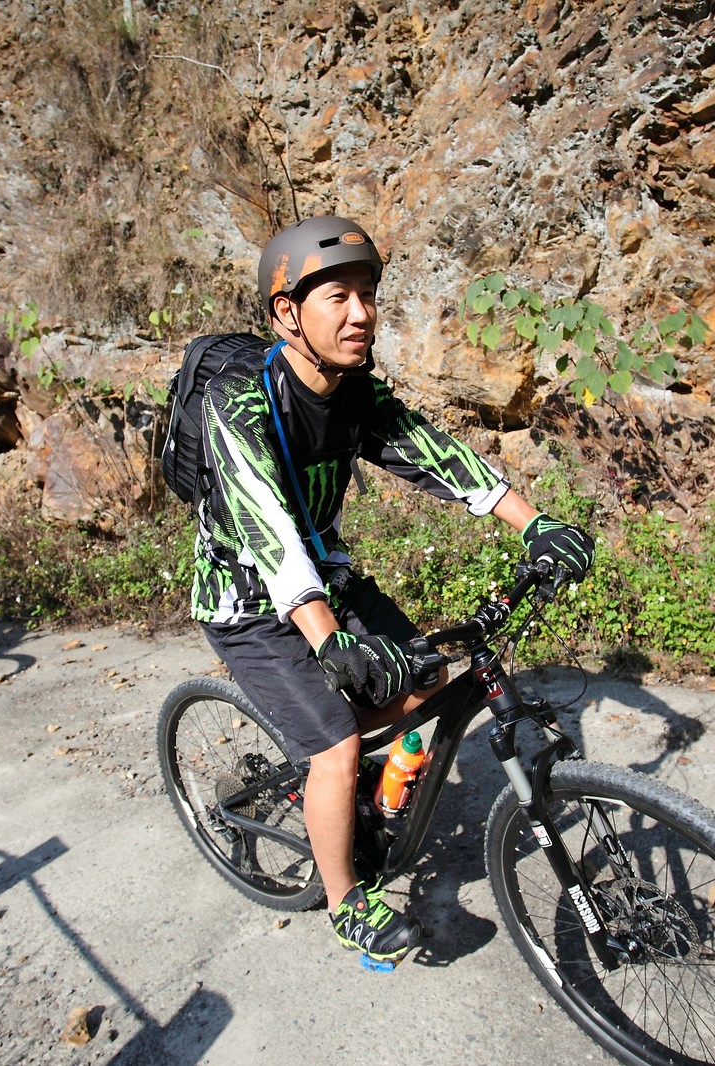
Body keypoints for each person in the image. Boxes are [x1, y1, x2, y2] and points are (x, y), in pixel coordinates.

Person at [193, 216, 594, 965]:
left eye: (368, 294)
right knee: (336, 746)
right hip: (247, 599)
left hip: (326, 573)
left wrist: (534, 523)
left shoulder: (354, 394)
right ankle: (345, 899)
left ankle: (356, 788)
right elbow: (271, 536)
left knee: (429, 672)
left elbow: (439, 457)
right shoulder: (238, 402)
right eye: (337, 297)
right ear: (286, 313)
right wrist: (329, 642)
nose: (361, 313)